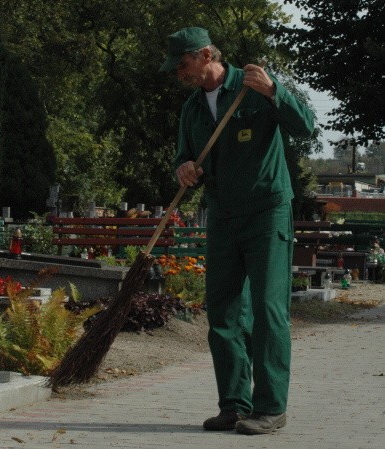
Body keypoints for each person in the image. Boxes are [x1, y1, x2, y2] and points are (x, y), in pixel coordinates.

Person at [159, 27, 314, 435]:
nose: (179, 73)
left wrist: (274, 89)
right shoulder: (192, 109)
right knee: (224, 313)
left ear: (207, 53)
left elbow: (307, 127)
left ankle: (270, 408)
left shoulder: (252, 87)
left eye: (183, 64)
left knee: (266, 309)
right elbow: (183, 158)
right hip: (223, 217)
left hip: (267, 212)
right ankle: (233, 404)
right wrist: (185, 169)